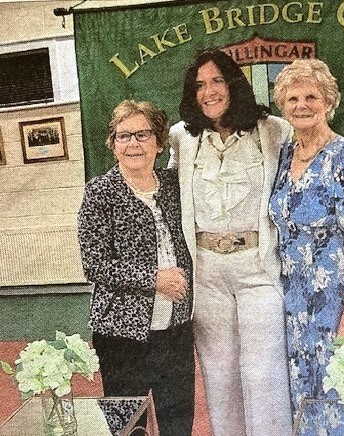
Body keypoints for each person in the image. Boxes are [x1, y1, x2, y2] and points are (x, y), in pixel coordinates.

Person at [168, 49, 293, 436]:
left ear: (233, 83)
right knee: (219, 375)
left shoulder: (273, 130)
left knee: (262, 372)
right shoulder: (181, 138)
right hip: (206, 272)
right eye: (200, 85)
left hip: (257, 268)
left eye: (217, 81)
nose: (209, 92)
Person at [269, 58, 344, 434]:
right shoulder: (284, 155)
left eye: (311, 97)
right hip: (295, 303)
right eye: (293, 97)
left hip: (336, 300)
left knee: (341, 396)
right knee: (305, 397)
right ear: (282, 105)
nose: (301, 105)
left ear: (329, 103)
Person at [77, 100, 194, 436]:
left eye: (142, 135)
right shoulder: (100, 192)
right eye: (123, 136)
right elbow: (95, 264)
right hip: (121, 334)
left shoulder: (174, 185)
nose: (132, 144)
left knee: (178, 421)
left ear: (159, 143)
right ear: (112, 145)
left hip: (176, 331)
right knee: (129, 425)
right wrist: (154, 279)